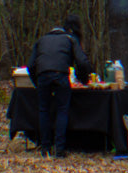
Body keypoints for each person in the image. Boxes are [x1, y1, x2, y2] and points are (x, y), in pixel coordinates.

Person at [27, 15, 92, 159]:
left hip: (43, 76)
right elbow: (82, 62)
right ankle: (60, 149)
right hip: (61, 75)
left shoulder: (41, 40)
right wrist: (84, 80)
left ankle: (45, 148)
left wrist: (37, 82)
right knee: (62, 110)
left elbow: (30, 66)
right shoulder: (70, 39)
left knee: (44, 110)